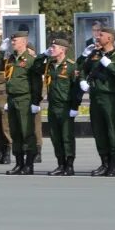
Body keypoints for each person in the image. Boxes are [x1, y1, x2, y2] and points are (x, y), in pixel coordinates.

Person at [79, 26, 115, 177]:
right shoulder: (95, 54)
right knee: (98, 130)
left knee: (112, 131)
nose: (97, 37)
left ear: (110, 38)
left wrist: (110, 65)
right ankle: (104, 163)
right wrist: (82, 80)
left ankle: (113, 165)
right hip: (95, 96)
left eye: (101, 35)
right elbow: (81, 68)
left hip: (111, 97)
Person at [35, 38, 82, 176]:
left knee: (67, 136)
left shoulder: (72, 66)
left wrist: (75, 106)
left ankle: (69, 165)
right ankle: (60, 164)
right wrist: (43, 55)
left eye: (54, 47)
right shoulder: (50, 64)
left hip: (66, 106)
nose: (52, 49)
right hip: (53, 106)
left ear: (63, 49)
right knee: (55, 137)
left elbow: (77, 88)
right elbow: (35, 68)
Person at [2, 31, 40, 175]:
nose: (13, 43)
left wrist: (35, 101)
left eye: (15, 41)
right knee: (15, 132)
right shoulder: (11, 58)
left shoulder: (30, 59)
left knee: (27, 132)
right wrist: (1, 52)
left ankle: (29, 164)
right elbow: (0, 66)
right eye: (12, 41)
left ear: (24, 42)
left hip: (25, 99)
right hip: (12, 98)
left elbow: (36, 83)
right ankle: (19, 163)